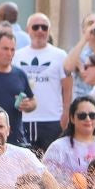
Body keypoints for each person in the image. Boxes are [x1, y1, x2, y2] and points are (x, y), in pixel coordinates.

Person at [14, 13, 71, 152]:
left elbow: (68, 88)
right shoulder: (16, 55)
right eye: (36, 27)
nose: (40, 31)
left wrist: (66, 114)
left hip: (52, 119)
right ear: (28, 29)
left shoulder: (60, 55)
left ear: (49, 31)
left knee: (52, 165)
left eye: (44, 27)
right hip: (24, 119)